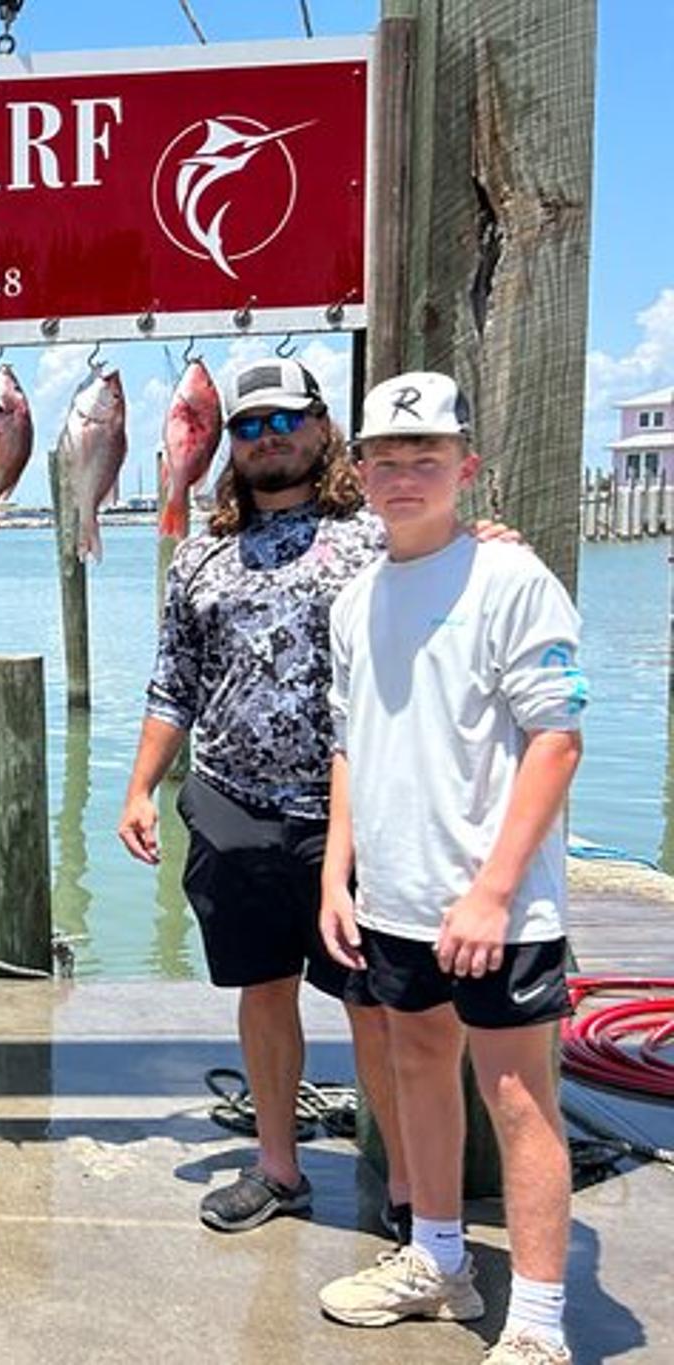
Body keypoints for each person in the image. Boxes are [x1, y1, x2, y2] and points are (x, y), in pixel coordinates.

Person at [317, 372, 586, 1365]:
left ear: (463, 469)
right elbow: (349, 742)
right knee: (415, 1065)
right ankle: (437, 1261)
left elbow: (555, 742)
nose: (401, 476)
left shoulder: (512, 582)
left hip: (495, 908)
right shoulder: (353, 599)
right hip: (389, 898)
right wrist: (334, 875)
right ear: (358, 474)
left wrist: (490, 890)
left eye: (424, 457)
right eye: (383, 459)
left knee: (517, 1100)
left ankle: (537, 1322)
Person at [118, 356, 412, 1237]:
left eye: (285, 420)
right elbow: (174, 684)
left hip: (354, 813)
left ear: (323, 430)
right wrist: (138, 787)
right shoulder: (199, 556)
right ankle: (279, 1168)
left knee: (375, 1008)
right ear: (228, 447)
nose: (268, 436)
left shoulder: (377, 537)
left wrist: (494, 543)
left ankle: (410, 1188)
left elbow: (456, 584)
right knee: (263, 989)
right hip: (234, 803)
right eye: (248, 426)